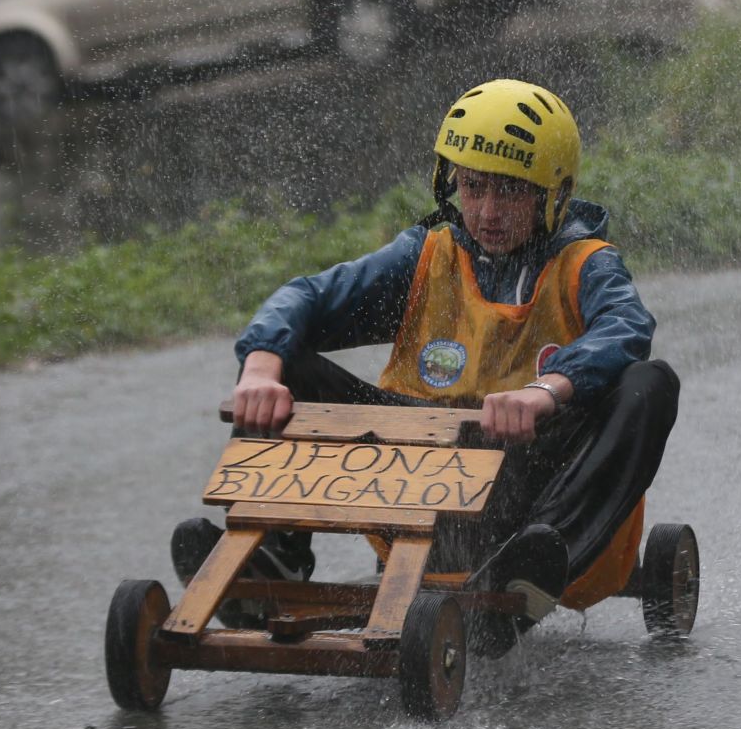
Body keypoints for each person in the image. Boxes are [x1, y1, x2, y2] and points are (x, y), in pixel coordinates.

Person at [171, 79, 681, 646]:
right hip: (416, 480)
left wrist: (545, 392)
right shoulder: (424, 255)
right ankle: (274, 560)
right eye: (473, 187)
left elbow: (626, 328)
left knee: (650, 382)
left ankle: (537, 567)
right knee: (285, 361)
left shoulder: (588, 264)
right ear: (451, 181)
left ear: (552, 195)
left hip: (527, 492)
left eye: (511, 192)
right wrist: (261, 371)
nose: (487, 212)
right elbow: (306, 297)